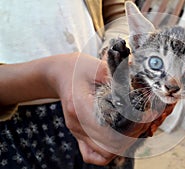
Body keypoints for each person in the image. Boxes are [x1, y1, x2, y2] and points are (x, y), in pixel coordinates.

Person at [0, 0, 149, 168]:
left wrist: (114, 52)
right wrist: (50, 75)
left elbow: (118, 12)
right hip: (16, 129)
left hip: (101, 103)